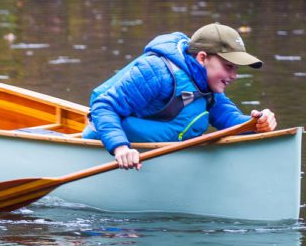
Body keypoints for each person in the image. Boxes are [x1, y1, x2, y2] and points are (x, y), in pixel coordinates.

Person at [82, 22, 277, 170]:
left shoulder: (208, 87)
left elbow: (230, 120)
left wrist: (257, 124)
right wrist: (120, 148)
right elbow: (103, 107)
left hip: (156, 153)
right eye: (228, 66)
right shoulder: (157, 72)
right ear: (202, 58)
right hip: (107, 145)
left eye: (235, 68)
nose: (234, 76)